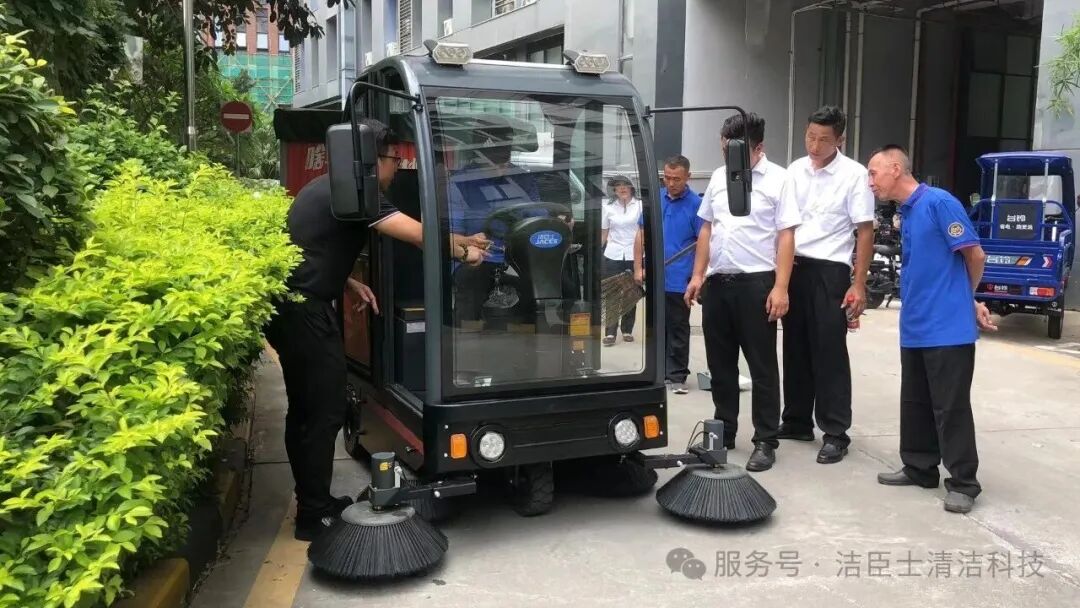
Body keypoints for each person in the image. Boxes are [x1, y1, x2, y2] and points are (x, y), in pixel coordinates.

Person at [265, 118, 485, 541]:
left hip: (296, 308)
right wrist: (466, 254)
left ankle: (312, 499)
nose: (397, 169)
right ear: (372, 159)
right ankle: (314, 513)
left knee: (308, 409)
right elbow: (419, 235)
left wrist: (347, 280)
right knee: (323, 410)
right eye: (394, 160)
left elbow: (309, 245)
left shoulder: (327, 187)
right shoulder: (357, 193)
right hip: (304, 314)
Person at [867, 145, 996, 514]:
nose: (870, 182)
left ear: (895, 168)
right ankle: (919, 467)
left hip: (947, 329)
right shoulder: (907, 212)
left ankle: (964, 483)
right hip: (916, 326)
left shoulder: (939, 203)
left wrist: (965, 298)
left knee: (950, 407)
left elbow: (975, 255)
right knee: (916, 402)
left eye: (873, 173)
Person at [685, 113, 801, 472]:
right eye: (724, 150)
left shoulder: (780, 179)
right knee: (720, 365)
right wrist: (697, 275)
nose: (727, 157)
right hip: (718, 283)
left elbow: (786, 235)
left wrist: (781, 287)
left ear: (759, 147)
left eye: (733, 150)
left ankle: (765, 439)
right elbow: (707, 228)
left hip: (756, 284)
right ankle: (724, 432)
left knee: (762, 367)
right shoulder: (719, 177)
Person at [779, 105, 876, 465]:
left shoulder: (854, 175)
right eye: (810, 137)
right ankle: (797, 420)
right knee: (795, 346)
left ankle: (835, 431)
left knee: (829, 350)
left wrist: (858, 283)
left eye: (823, 139)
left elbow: (864, 231)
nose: (814, 145)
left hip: (831, 271)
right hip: (795, 266)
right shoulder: (794, 170)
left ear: (840, 140)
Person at [447, 115, 542, 325]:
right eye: (496, 144)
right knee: (470, 282)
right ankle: (466, 336)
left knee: (561, 286)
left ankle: (537, 338)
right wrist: (470, 243)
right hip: (479, 258)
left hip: (519, 258)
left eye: (506, 143)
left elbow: (538, 219)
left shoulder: (523, 179)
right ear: (481, 146)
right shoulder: (461, 183)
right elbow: (453, 235)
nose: (503, 151)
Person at [633, 156, 702, 394]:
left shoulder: (696, 205)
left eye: (677, 179)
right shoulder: (655, 198)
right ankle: (658, 371)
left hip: (680, 279)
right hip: (655, 277)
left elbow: (703, 243)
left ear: (688, 177)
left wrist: (698, 277)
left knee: (677, 328)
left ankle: (676, 375)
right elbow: (641, 234)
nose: (671, 183)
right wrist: (638, 267)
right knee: (656, 327)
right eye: (667, 178)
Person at [602, 175, 643, 345]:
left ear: (632, 187)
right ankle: (610, 332)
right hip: (613, 254)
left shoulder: (640, 206)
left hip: (635, 255)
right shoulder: (608, 207)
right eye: (618, 185)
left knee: (630, 294)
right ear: (614, 190)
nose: (622, 188)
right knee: (611, 294)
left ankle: (627, 330)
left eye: (625, 184)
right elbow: (604, 233)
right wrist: (597, 253)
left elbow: (644, 232)